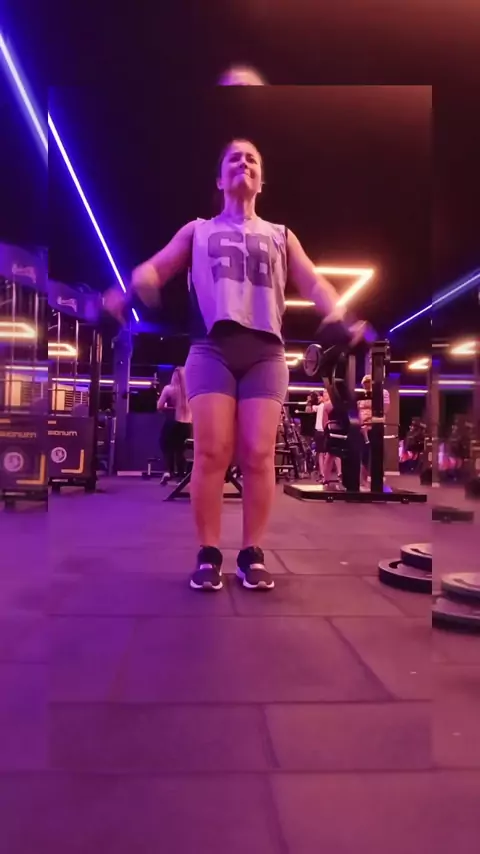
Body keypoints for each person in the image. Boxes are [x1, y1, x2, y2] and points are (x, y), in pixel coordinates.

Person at [104, 138, 361, 591]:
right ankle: (208, 553)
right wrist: (133, 286)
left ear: (262, 180)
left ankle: (251, 553)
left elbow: (315, 283)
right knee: (211, 452)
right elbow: (157, 268)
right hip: (211, 349)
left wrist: (340, 313)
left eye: (252, 158)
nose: (243, 163)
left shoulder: (281, 235)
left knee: (259, 454)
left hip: (266, 352)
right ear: (220, 180)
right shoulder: (197, 231)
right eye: (234, 159)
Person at [156, 367, 192, 484]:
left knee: (166, 446)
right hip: (186, 424)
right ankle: (181, 476)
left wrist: (171, 408)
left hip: (172, 423)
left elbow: (159, 406)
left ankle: (169, 471)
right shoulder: (190, 391)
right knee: (180, 450)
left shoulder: (169, 389)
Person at [357, 374, 390, 487]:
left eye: (368, 382)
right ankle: (363, 479)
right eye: (364, 383)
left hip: (376, 426)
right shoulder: (362, 395)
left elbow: (385, 408)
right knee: (364, 453)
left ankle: (379, 477)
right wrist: (361, 424)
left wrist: (372, 420)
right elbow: (357, 410)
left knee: (378, 452)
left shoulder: (383, 393)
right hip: (363, 427)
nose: (366, 385)